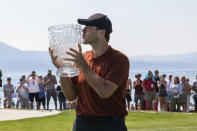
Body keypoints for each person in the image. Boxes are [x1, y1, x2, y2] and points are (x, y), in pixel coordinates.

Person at [49, 13, 129, 131]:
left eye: (88, 28)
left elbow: (104, 91)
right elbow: (71, 96)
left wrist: (84, 66)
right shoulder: (82, 58)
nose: (83, 30)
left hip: (110, 125)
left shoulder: (119, 59)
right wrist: (62, 70)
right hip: (82, 124)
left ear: (101, 32)